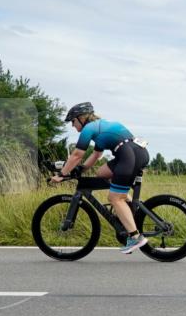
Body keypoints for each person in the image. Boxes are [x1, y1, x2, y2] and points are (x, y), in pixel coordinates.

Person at [51, 102, 150, 254]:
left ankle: (135, 237)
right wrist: (82, 169)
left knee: (115, 198)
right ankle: (128, 204)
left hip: (128, 156)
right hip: (136, 153)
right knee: (102, 173)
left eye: (73, 121)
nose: (72, 125)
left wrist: (62, 174)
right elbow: (96, 155)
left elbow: (77, 155)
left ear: (81, 118)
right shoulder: (101, 127)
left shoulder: (89, 129)